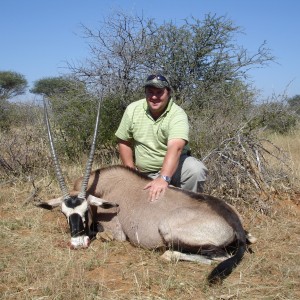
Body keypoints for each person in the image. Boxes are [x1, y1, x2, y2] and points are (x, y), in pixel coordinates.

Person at [115, 74, 208, 201]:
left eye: (159, 92)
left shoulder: (177, 114)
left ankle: (187, 206)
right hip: (144, 172)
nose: (154, 97)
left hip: (175, 169)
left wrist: (163, 178)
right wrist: (131, 173)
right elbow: (123, 141)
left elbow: (176, 147)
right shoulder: (133, 109)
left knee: (195, 170)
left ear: (168, 93)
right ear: (145, 93)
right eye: (150, 92)